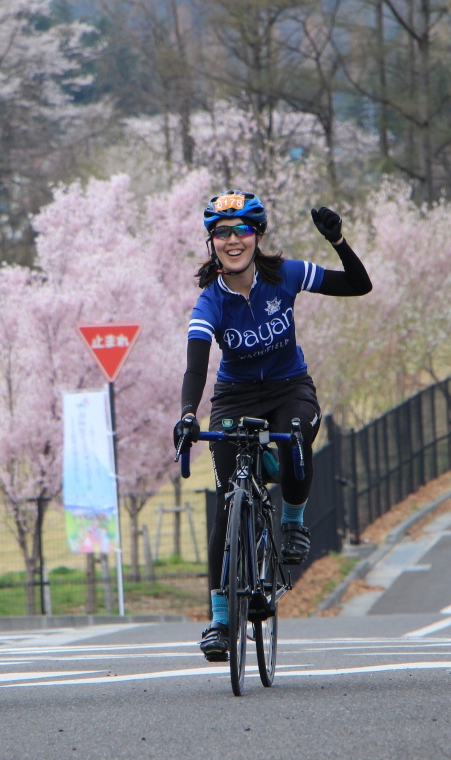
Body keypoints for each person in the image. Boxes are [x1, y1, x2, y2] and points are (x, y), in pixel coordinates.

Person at [172, 190, 372, 662]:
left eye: (241, 230)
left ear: (257, 235)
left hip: (289, 389)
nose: (232, 240)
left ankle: (292, 522)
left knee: (295, 439)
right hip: (234, 396)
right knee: (226, 499)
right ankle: (221, 621)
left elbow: (358, 285)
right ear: (212, 243)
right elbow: (196, 368)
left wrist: (338, 241)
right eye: (222, 233)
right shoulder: (209, 303)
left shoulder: (285, 275)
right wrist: (186, 414)